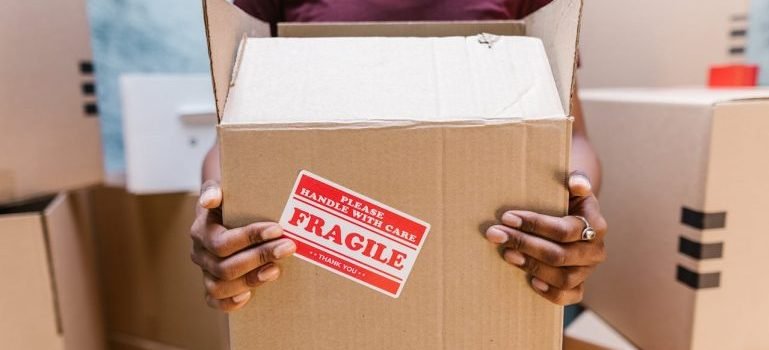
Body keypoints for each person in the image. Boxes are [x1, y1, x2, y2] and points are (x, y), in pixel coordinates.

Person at [190, 0, 607, 312]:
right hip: (315, 282)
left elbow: (573, 138)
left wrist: (574, 225)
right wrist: (224, 216)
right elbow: (231, 140)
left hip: (493, 280)